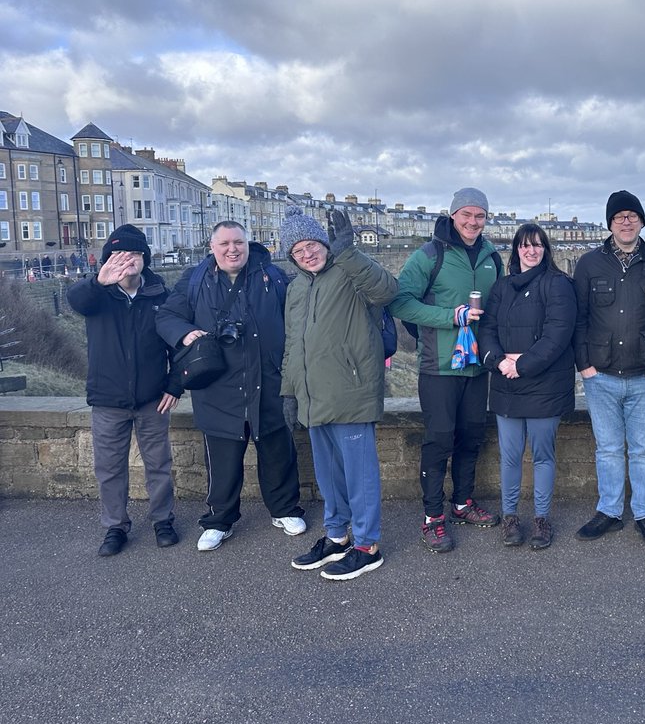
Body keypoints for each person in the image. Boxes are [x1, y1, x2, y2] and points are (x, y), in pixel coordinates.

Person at [156, 221, 306, 551]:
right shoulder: (195, 280)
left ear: (248, 244)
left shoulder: (273, 277)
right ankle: (219, 519)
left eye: (238, 242)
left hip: (268, 382)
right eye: (224, 244)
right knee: (222, 456)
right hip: (218, 386)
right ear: (212, 247)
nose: (231, 249)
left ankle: (284, 509)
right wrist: (185, 332)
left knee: (277, 450)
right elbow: (166, 316)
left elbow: (298, 317)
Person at [280, 206, 398, 580]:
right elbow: (292, 346)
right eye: (298, 250)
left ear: (325, 244)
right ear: (291, 257)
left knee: (359, 474)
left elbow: (387, 290)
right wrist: (289, 391)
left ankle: (367, 545)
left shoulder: (348, 271)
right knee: (329, 475)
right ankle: (336, 536)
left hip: (351, 390)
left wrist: (349, 252)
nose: (307, 253)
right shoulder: (296, 287)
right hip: (314, 396)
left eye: (312, 244)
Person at [390, 188, 502, 552]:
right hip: (438, 367)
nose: (473, 222)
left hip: (476, 367)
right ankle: (432, 518)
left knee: (471, 437)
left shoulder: (491, 256)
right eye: (466, 214)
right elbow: (402, 303)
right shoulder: (429, 254)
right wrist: (449, 318)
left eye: (480, 216)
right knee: (439, 441)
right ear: (453, 215)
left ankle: (462, 503)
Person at [67, 225, 181, 556]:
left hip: (152, 398)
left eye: (133, 253)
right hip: (107, 400)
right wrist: (98, 281)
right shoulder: (96, 295)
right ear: (106, 261)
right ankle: (116, 527)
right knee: (109, 468)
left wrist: (175, 384)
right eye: (118, 255)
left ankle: (163, 520)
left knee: (158, 464)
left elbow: (176, 343)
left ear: (144, 258)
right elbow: (75, 299)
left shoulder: (161, 294)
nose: (127, 260)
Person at [573, 190, 645, 545]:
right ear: (610, 224)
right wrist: (583, 364)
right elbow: (579, 318)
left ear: (642, 221)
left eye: (633, 215)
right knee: (608, 449)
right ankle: (610, 511)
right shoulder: (588, 264)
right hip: (599, 374)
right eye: (619, 217)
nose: (627, 221)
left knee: (644, 449)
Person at [479, 222, 577, 551]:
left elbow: (557, 335)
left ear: (545, 250)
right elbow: (487, 331)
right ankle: (510, 518)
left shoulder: (559, 285)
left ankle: (541, 519)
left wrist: (521, 365)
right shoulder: (501, 287)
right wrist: (501, 362)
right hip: (507, 384)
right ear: (516, 250)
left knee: (542, 456)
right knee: (509, 456)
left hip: (544, 386)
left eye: (537, 245)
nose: (530, 251)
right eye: (524, 245)